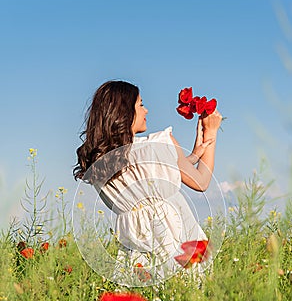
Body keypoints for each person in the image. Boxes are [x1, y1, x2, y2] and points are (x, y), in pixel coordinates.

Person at [73, 80, 222, 284]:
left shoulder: (101, 162)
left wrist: (193, 156)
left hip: (136, 250)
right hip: (175, 239)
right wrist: (211, 132)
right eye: (141, 104)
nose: (146, 110)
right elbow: (201, 181)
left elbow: (148, 179)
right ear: (125, 113)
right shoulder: (161, 143)